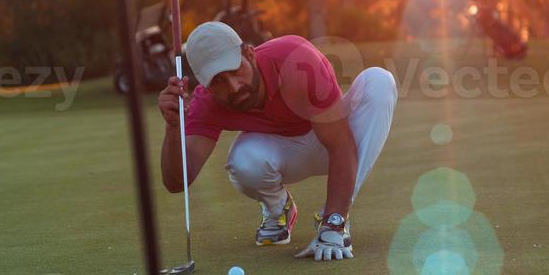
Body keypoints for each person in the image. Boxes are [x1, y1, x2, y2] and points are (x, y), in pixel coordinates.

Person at [158, 23, 397, 261]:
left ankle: (334, 221)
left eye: (236, 70)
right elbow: (177, 182)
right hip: (286, 154)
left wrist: (334, 220)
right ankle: (278, 209)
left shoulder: (295, 59)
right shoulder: (206, 103)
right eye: (218, 81)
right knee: (243, 160)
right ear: (204, 84)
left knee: (379, 82)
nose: (234, 86)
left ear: (250, 53)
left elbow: (341, 144)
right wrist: (172, 128)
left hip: (337, 136)